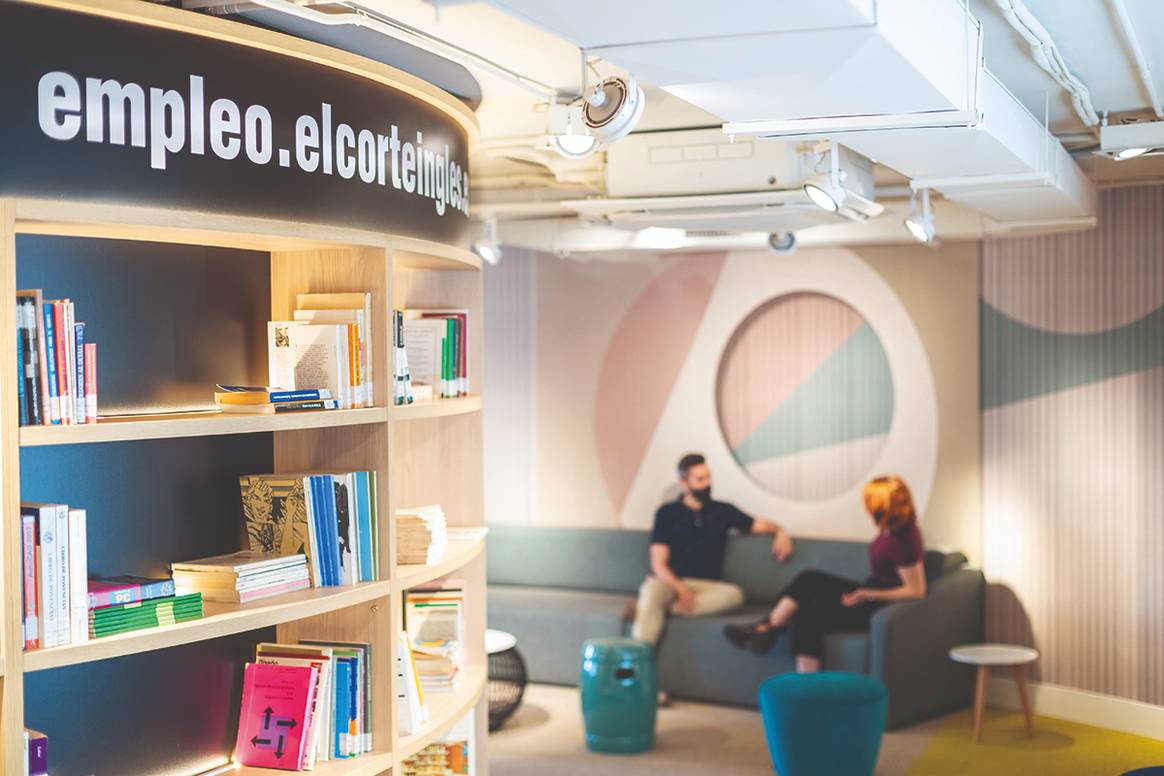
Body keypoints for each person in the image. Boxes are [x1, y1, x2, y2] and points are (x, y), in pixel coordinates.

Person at [722, 475, 927, 673]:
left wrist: (868, 595)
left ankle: (807, 687)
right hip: (870, 591)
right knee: (809, 579)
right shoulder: (891, 527)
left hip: (878, 606)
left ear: (882, 506)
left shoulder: (903, 540)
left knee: (810, 615)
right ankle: (766, 630)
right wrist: (866, 592)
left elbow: (916, 590)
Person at [631, 452, 794, 648]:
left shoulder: (723, 510)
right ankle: (637, 657)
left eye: (708, 477)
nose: (707, 483)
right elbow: (658, 563)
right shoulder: (666, 513)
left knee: (734, 596)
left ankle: (667, 609)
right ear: (684, 483)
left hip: (706, 587)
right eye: (700, 479)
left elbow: (759, 525)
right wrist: (680, 589)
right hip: (671, 582)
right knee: (652, 591)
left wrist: (780, 531)